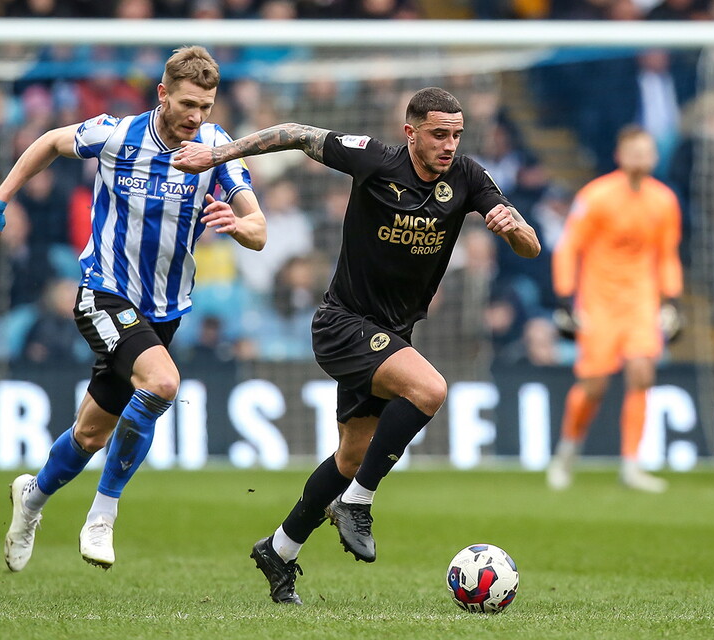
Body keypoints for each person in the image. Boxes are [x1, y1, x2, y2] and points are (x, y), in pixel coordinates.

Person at [172, 87, 540, 604]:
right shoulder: (374, 159)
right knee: (430, 390)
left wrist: (513, 226)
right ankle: (358, 503)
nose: (449, 145)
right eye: (438, 134)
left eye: (456, 135)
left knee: (351, 456)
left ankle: (279, 550)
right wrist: (217, 154)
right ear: (410, 132)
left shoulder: (469, 178)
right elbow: (298, 135)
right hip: (342, 323)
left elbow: (531, 248)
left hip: (392, 335)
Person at [0, 46, 267, 572]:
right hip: (104, 291)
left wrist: (238, 225)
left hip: (164, 311)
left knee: (90, 433)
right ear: (162, 94)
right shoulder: (116, 134)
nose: (196, 117)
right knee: (163, 383)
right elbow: (49, 141)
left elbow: (259, 231)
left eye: (206, 106)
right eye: (187, 103)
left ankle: (31, 499)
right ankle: (102, 516)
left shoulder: (217, 148)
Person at [547, 125, 683, 494]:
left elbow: (667, 254)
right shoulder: (597, 196)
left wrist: (672, 299)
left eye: (646, 151)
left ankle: (632, 465)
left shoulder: (664, 200)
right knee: (594, 385)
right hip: (599, 301)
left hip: (641, 300)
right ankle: (567, 453)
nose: (641, 157)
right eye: (633, 151)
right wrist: (564, 296)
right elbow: (569, 247)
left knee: (642, 372)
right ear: (619, 156)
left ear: (654, 156)